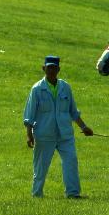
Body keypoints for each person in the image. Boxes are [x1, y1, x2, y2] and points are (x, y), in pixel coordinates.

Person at [24, 55, 93, 198]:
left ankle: (73, 193)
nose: (51, 70)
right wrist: (29, 134)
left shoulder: (65, 87)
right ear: (43, 68)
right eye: (49, 67)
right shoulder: (37, 89)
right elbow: (29, 114)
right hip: (44, 134)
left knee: (71, 162)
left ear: (59, 69)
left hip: (65, 135)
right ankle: (37, 194)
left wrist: (84, 127)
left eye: (54, 67)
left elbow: (73, 111)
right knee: (41, 166)